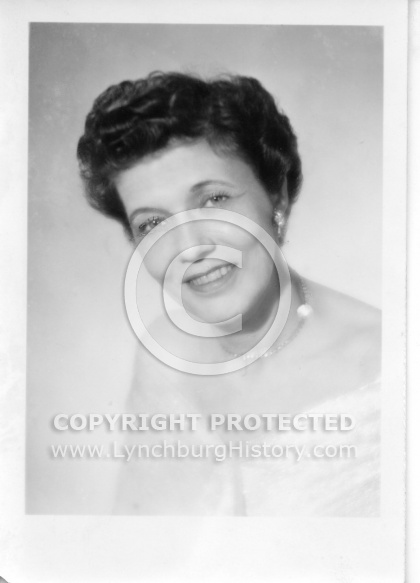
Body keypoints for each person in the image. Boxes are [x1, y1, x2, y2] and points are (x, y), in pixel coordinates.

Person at [77, 72, 381, 516]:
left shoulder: (386, 367)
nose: (189, 247)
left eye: (214, 199)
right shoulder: (166, 351)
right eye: (152, 223)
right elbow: (140, 535)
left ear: (276, 198)